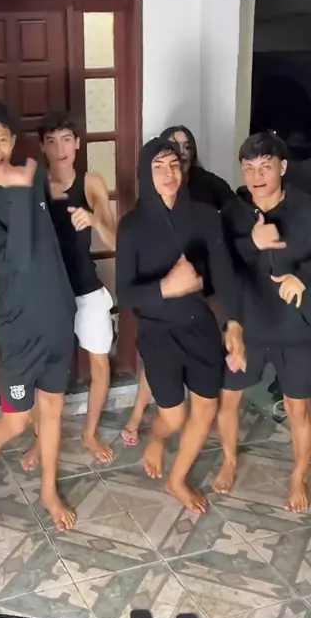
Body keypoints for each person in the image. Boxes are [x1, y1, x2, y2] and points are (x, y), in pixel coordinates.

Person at [0, 100, 77, 531]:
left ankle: (48, 491)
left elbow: (50, 238)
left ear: (12, 140)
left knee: (53, 408)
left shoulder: (35, 175)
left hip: (57, 313)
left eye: (2, 139)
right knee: (15, 420)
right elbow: (16, 261)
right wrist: (23, 190)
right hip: (19, 325)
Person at [116, 137, 245, 514]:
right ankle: (157, 438)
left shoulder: (204, 215)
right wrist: (166, 287)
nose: (169, 174)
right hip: (157, 333)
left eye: (174, 165)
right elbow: (125, 293)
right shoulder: (132, 226)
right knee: (173, 416)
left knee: (206, 408)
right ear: (146, 174)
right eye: (158, 167)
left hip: (199, 326)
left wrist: (234, 323)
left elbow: (224, 272)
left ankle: (177, 478)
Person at [215, 132, 311, 513]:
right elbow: (222, 266)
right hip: (248, 325)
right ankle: (229, 461)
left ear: (282, 167)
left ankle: (299, 475)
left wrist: (302, 278)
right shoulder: (233, 213)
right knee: (228, 398)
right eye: (249, 168)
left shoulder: (305, 208)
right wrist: (252, 243)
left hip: (294, 327)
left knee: (298, 409)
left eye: (265, 167)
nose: (257, 176)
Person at [19, 112, 116, 467]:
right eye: (52, 141)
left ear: (77, 144)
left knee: (100, 363)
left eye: (66, 140)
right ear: (43, 147)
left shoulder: (91, 182)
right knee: (39, 371)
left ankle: (89, 433)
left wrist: (95, 219)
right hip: (47, 294)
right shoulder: (33, 183)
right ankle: (39, 440)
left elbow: (116, 239)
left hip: (86, 289)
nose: (60, 148)